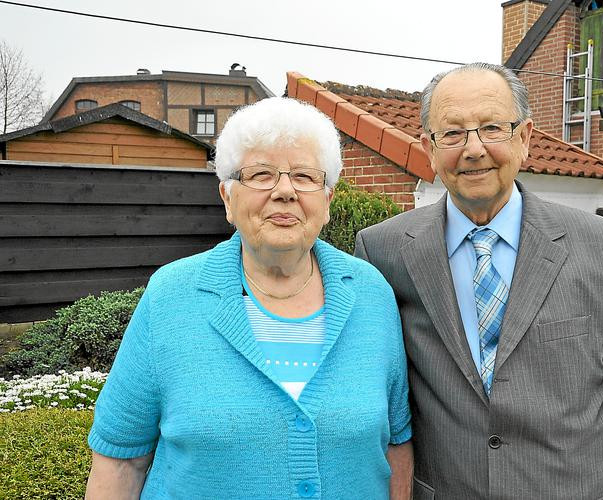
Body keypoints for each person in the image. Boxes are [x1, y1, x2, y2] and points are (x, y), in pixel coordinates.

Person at [354, 63, 603, 499]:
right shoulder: (383, 251)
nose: (473, 149)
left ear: (524, 138)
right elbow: (374, 403)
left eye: (492, 127)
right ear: (429, 149)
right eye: (452, 133)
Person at [85, 97, 413, 499]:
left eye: (307, 177)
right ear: (227, 197)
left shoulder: (371, 295)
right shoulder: (170, 297)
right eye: (261, 174)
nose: (285, 192)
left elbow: (397, 443)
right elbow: (121, 461)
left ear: (327, 201)